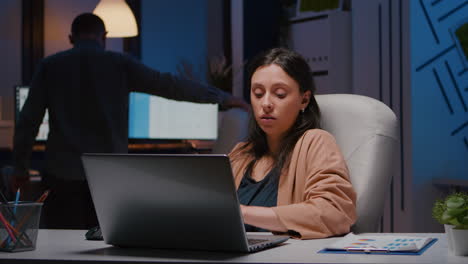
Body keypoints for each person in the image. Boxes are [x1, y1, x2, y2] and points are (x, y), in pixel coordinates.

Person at [12, 13, 247, 229]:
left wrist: (20, 169)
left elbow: (28, 122)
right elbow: (171, 85)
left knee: (59, 246)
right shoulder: (119, 64)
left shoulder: (50, 66)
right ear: (104, 37)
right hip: (107, 175)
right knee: (105, 243)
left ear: (70, 37)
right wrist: (225, 99)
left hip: (60, 175)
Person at [229, 48, 356, 239]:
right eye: (258, 93)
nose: (266, 103)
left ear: (304, 99)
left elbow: (335, 212)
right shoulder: (241, 153)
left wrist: (243, 213)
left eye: (279, 94)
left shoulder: (316, 141)